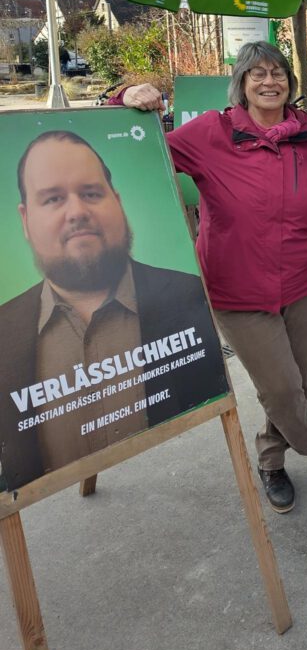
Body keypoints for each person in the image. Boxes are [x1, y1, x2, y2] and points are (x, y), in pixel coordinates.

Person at [116, 41, 307, 513]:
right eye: (258, 74)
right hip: (238, 291)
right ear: (241, 85)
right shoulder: (212, 131)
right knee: (282, 389)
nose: (270, 82)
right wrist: (125, 97)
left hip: (304, 284)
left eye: (279, 73)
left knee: (294, 384)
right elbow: (136, 149)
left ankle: (271, 459)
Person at [0, 131, 228, 491]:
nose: (76, 212)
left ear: (117, 201)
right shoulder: (3, 331)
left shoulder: (185, 294)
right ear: (25, 220)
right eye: (53, 199)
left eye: (91, 193)